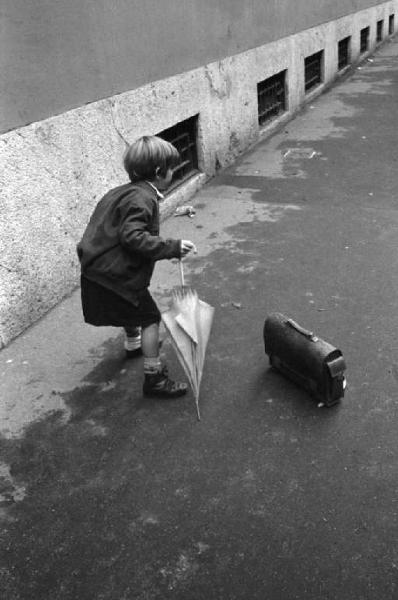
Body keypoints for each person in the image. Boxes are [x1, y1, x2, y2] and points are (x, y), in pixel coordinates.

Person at [77, 135, 196, 398]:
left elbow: (118, 229)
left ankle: (133, 344)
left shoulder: (121, 192)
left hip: (97, 271)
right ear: (158, 171)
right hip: (116, 275)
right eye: (172, 168)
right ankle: (154, 378)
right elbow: (133, 237)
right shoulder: (143, 198)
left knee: (131, 307)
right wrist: (171, 247)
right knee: (149, 318)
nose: (173, 172)